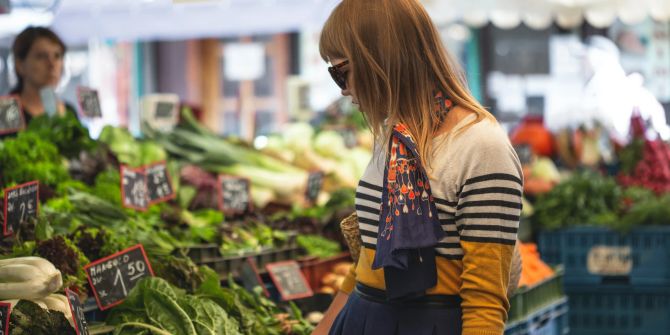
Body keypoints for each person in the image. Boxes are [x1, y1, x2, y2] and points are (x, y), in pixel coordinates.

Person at [313, 1, 523, 334]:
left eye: (341, 71)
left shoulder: (482, 147)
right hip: (361, 318)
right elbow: (367, 260)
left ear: (378, 60)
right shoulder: (394, 137)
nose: (342, 88)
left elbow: (485, 300)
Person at [2, 26, 76, 138]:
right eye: (41, 56)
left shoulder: (69, 112)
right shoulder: (8, 110)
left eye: (57, 56)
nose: (52, 64)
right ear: (20, 65)